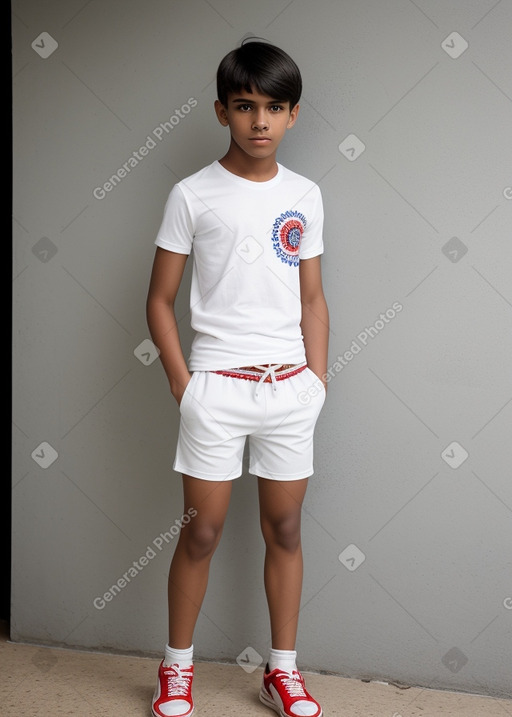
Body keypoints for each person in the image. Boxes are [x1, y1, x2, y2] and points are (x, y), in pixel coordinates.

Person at [146, 38, 329, 717]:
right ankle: (176, 669)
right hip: (216, 390)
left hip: (289, 390)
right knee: (201, 530)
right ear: (222, 110)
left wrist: (318, 380)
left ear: (293, 116)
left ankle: (281, 671)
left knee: (285, 527)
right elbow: (158, 299)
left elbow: (313, 298)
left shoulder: (305, 195)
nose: (260, 121)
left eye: (274, 108)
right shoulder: (192, 194)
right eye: (246, 106)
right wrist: (183, 383)